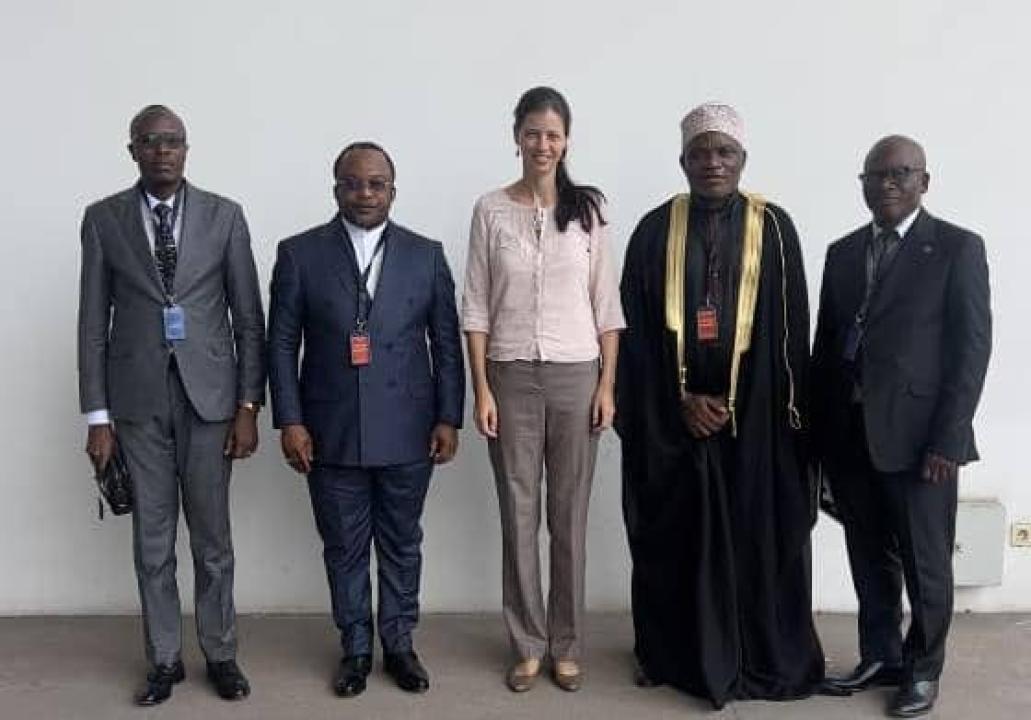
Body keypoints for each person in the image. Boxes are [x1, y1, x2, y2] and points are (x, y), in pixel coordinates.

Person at [615, 102, 824, 708]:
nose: (713, 162)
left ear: (743, 159)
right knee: (678, 539)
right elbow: (633, 335)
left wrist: (752, 407)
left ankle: (758, 655)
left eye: (724, 152)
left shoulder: (774, 228)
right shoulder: (655, 230)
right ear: (683, 161)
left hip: (756, 424)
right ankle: (673, 654)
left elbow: (793, 332)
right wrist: (678, 400)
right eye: (700, 153)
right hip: (675, 422)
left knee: (758, 538)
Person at [78, 105, 265, 706]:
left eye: (173, 141)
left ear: (187, 149)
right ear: (132, 149)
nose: (162, 150)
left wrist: (248, 406)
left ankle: (221, 654)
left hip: (211, 402)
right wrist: (97, 417)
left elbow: (249, 319)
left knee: (213, 541)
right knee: (152, 542)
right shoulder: (103, 219)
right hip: (137, 405)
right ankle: (163, 659)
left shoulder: (224, 216)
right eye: (150, 141)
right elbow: (92, 325)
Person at [267, 142, 464, 698]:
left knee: (402, 543)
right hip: (328, 433)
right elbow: (281, 342)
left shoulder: (426, 255)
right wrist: (289, 420)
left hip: (410, 430)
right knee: (344, 547)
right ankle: (355, 648)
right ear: (336, 190)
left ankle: (399, 645)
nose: (365, 194)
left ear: (392, 192)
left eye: (376, 184)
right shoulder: (299, 254)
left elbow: (447, 344)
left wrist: (449, 416)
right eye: (352, 183)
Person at [812, 135, 991, 718]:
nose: (887, 183)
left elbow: (971, 352)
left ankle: (922, 670)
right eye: (875, 175)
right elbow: (826, 348)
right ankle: (881, 656)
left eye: (900, 173)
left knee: (926, 564)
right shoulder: (843, 252)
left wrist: (948, 440)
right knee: (869, 557)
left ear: (924, 182)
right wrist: (818, 439)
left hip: (921, 444)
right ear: (862, 184)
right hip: (852, 437)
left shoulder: (957, 248)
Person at [462, 86, 625, 693]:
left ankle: (567, 644)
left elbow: (607, 306)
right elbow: (476, 306)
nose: (542, 144)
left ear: (567, 141)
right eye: (532, 133)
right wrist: (481, 389)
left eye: (553, 134)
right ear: (517, 137)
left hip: (576, 375)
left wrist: (607, 385)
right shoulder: (489, 210)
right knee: (519, 513)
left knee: (569, 517)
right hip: (509, 376)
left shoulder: (588, 210)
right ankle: (527, 644)